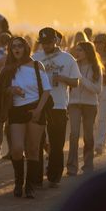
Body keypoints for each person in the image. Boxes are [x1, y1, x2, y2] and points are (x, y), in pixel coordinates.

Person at [0, 36, 52, 198]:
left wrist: (38, 111)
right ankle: (18, 181)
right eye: (13, 46)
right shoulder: (7, 69)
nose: (17, 49)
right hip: (16, 111)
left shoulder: (36, 65)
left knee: (33, 149)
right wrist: (11, 90)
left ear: (25, 48)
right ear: (10, 50)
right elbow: (0, 90)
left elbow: (47, 90)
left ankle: (30, 185)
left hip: (36, 108)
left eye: (20, 45)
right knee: (17, 149)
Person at [32, 27, 80, 188]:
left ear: (56, 41)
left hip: (58, 105)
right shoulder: (35, 58)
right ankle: (36, 178)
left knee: (57, 143)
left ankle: (54, 176)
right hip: (38, 105)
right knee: (37, 143)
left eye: (49, 42)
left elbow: (76, 82)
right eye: (43, 43)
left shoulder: (68, 59)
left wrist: (61, 78)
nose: (46, 46)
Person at [67, 41, 102, 176]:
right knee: (74, 134)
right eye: (76, 50)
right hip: (74, 103)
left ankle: (88, 166)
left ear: (87, 52)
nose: (77, 53)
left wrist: (81, 79)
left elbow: (97, 89)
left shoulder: (96, 67)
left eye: (80, 50)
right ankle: (71, 167)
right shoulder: (72, 65)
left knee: (88, 136)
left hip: (90, 105)